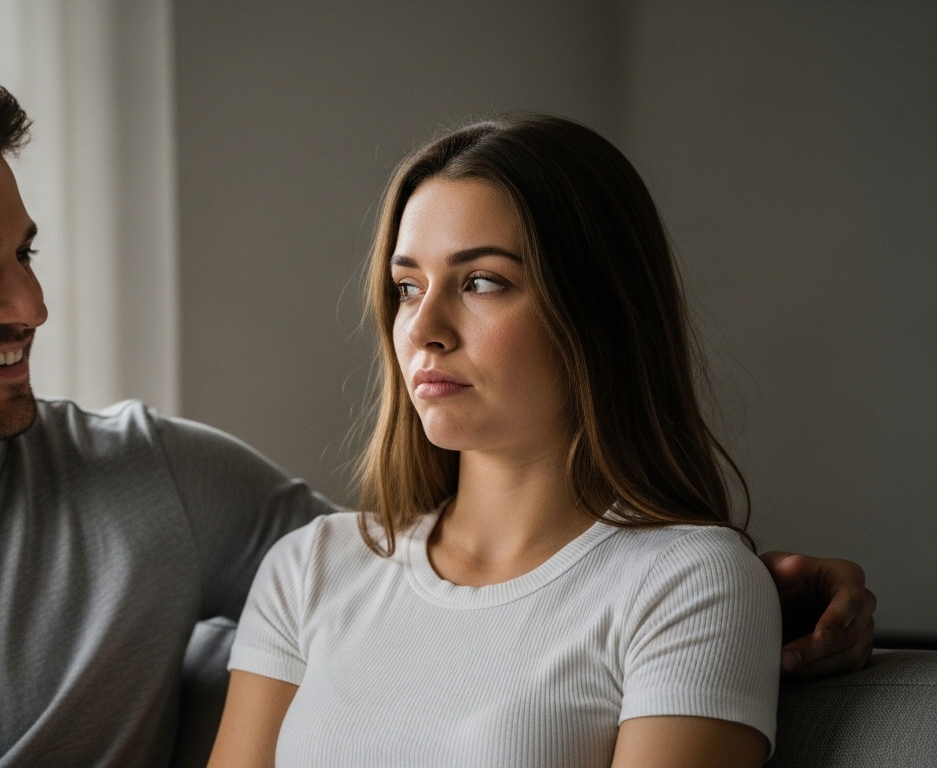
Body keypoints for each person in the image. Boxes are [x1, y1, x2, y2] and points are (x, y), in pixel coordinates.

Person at [0, 63, 871, 767]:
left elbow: (480, 590)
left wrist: (749, 590)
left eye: (25, 253)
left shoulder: (162, 484)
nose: (30, 304)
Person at [207, 114, 866, 767]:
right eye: (407, 288)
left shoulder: (689, 583)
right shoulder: (308, 570)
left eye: (481, 282)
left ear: (597, 310)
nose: (423, 328)